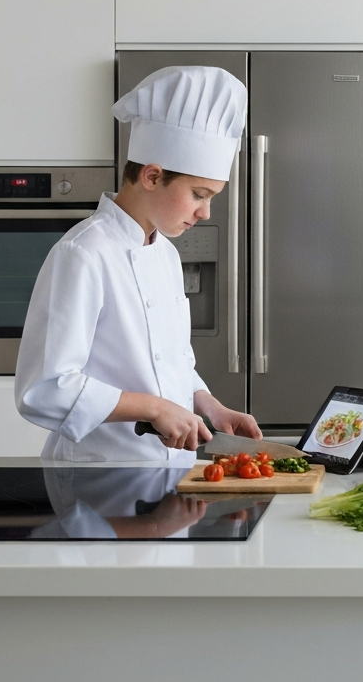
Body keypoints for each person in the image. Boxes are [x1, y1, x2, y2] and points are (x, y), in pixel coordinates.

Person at [15, 66, 261, 462]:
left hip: (169, 478)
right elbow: (44, 389)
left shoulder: (165, 253)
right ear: (151, 176)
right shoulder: (83, 254)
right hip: (97, 480)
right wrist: (154, 408)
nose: (205, 211)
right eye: (199, 194)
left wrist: (208, 405)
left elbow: (169, 361)